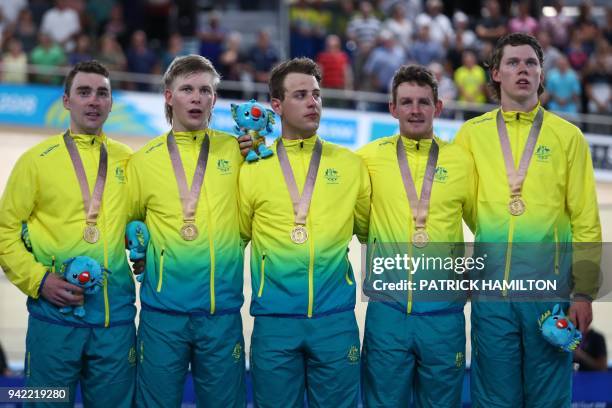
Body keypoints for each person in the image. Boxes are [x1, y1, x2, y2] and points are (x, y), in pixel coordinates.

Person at [454, 33, 602, 407]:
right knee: (493, 400)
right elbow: (458, 209)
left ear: (541, 74)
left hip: (549, 296)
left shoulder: (569, 137)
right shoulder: (471, 136)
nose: (523, 70)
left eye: (531, 63)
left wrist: (583, 291)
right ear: (496, 74)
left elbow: (585, 218)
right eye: (513, 63)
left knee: (549, 400)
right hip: (492, 297)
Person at [0, 60, 136, 407]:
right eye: (84, 92)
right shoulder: (36, 160)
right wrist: (39, 281)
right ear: (66, 101)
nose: (93, 101)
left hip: (114, 321)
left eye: (102, 93)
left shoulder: (128, 161)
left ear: (111, 103)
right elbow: (4, 230)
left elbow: (142, 223)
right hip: (54, 319)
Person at [238, 57, 370, 407]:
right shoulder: (253, 168)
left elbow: (372, 231)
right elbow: (233, 236)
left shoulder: (350, 165)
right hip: (274, 322)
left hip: (335, 320)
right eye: (301, 95)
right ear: (276, 106)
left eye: (316, 94)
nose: (313, 102)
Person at [127, 54, 246, 408]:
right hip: (163, 314)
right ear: (168, 96)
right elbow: (130, 223)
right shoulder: (143, 160)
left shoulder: (238, 151)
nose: (197, 98)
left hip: (221, 313)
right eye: (187, 89)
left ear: (214, 99)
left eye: (205, 91)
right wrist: (137, 248)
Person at [357, 64, 475, 407]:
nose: (415, 110)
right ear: (392, 108)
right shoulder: (366, 158)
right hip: (387, 312)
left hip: (444, 315)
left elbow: (488, 221)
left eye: (424, 102)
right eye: (406, 102)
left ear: (438, 108)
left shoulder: (463, 161)